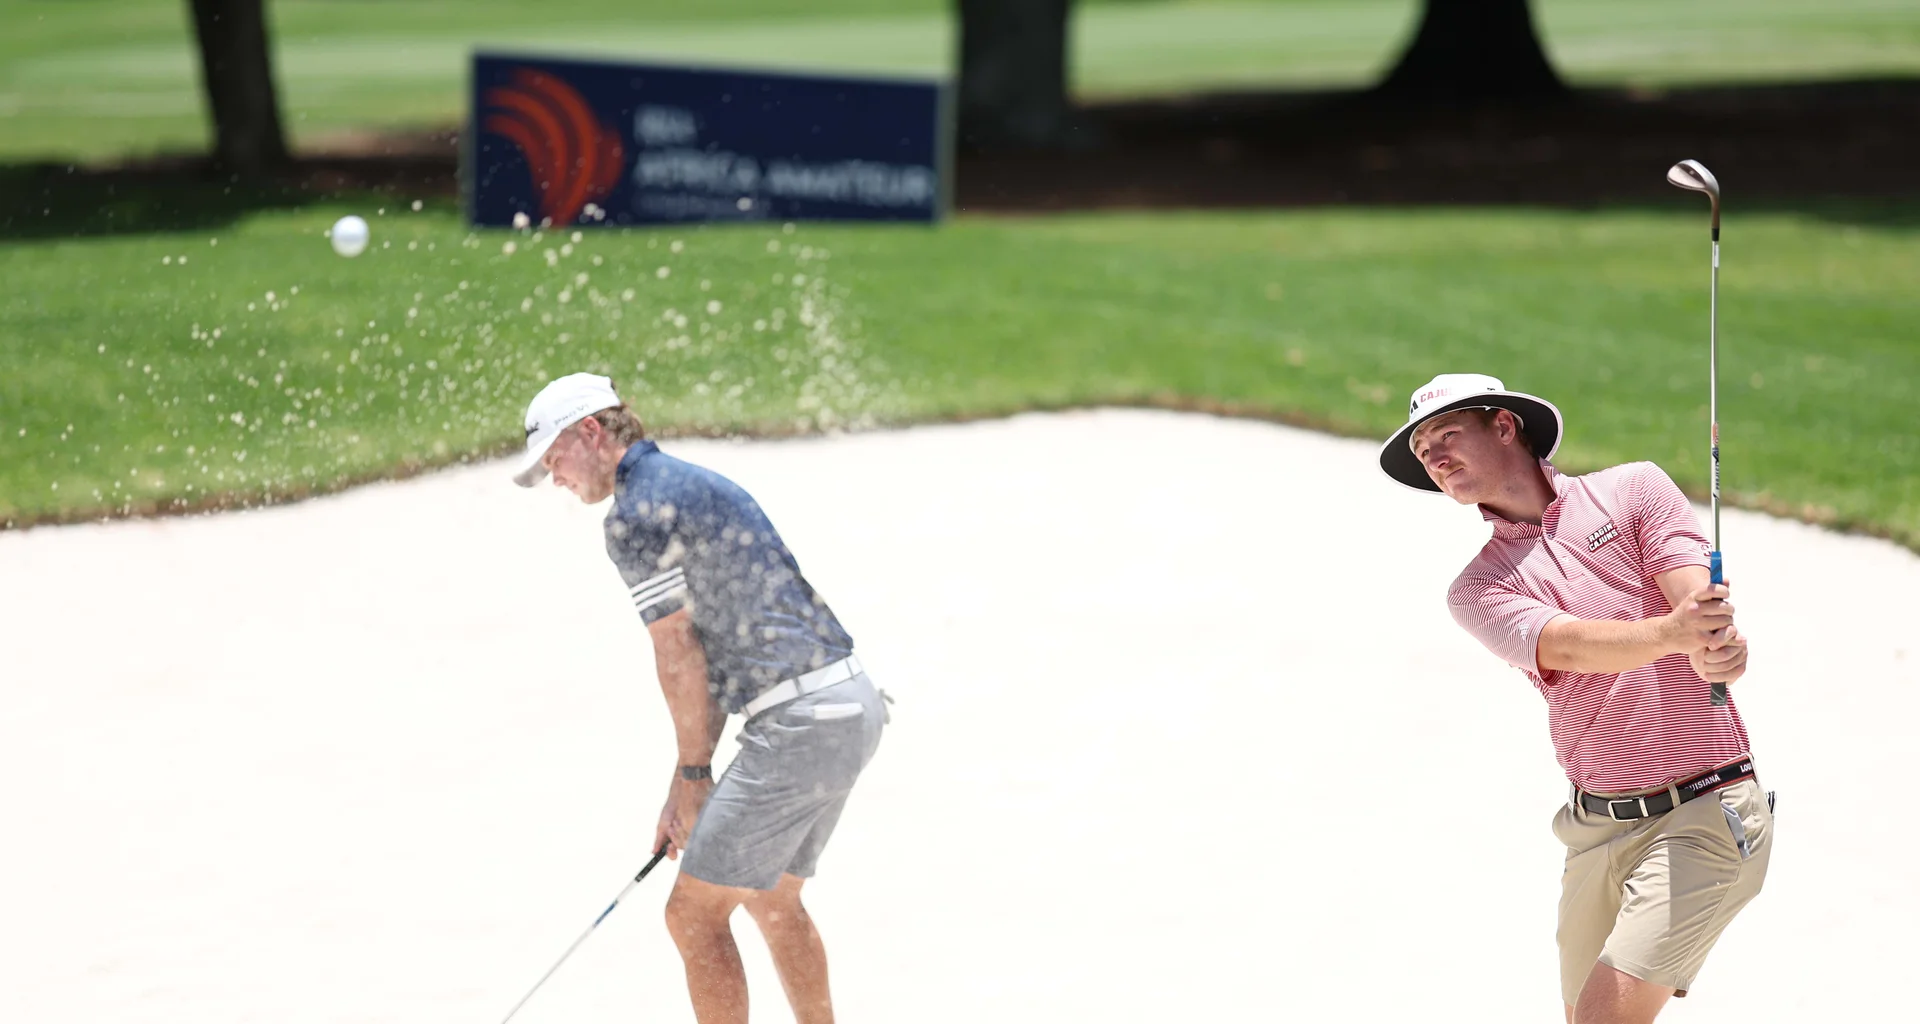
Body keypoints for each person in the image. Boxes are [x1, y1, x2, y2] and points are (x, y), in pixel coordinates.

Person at [1378, 373, 1771, 1024]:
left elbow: (1691, 599)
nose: (1435, 458)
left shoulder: (1634, 490)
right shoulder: (1476, 589)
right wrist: (1675, 634)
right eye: (1424, 452)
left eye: (1447, 435)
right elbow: (1570, 646)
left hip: (1706, 808)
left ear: (1504, 426)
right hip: (1594, 831)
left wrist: (1710, 642)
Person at [512, 372, 886, 1024]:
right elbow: (714, 655)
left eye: (555, 460)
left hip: (796, 725)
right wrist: (683, 780)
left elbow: (678, 651)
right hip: (849, 705)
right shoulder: (681, 481)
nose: (557, 480)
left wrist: (695, 776)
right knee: (772, 899)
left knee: (692, 917)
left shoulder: (633, 516)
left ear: (591, 432)